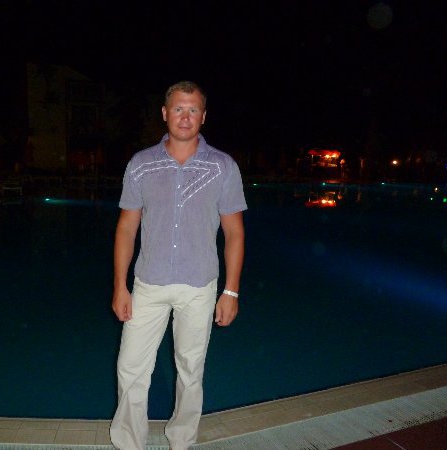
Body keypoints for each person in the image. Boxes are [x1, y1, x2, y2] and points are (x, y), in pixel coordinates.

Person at [109, 81, 247, 450]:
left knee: (190, 370)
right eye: (178, 109)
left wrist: (231, 291)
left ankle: (182, 441)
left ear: (204, 116)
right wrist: (120, 285)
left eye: (193, 109)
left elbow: (234, 233)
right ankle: (129, 443)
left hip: (199, 285)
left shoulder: (222, 167)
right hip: (148, 283)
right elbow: (126, 228)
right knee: (131, 368)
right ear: (165, 113)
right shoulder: (141, 164)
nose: (185, 117)